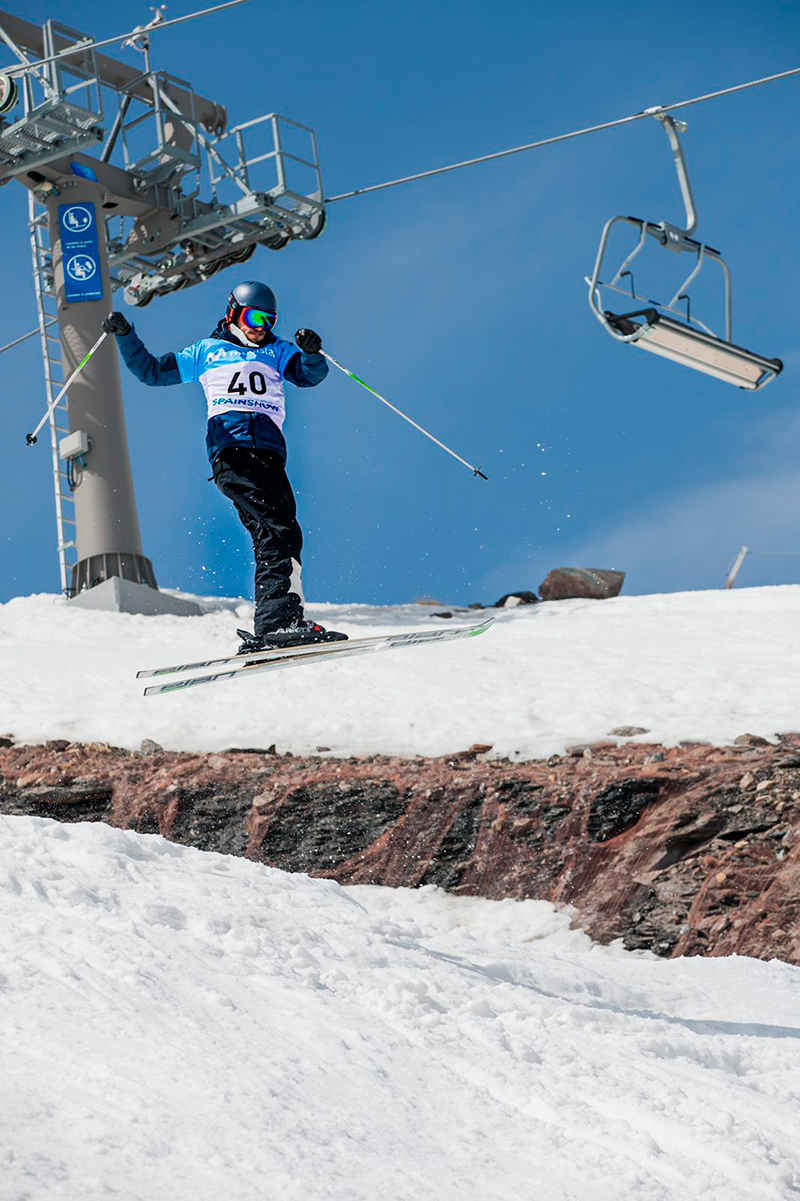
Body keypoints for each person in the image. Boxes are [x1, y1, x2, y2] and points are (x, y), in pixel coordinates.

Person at [103, 280, 347, 652]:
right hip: (232, 452)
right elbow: (152, 372)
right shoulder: (207, 350)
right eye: (253, 316)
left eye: (269, 319)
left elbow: (310, 375)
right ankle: (277, 622)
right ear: (233, 311)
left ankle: (282, 620)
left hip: (268, 456)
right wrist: (126, 336)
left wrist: (313, 353)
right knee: (277, 532)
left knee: (284, 534)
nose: (260, 326)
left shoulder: (277, 351)